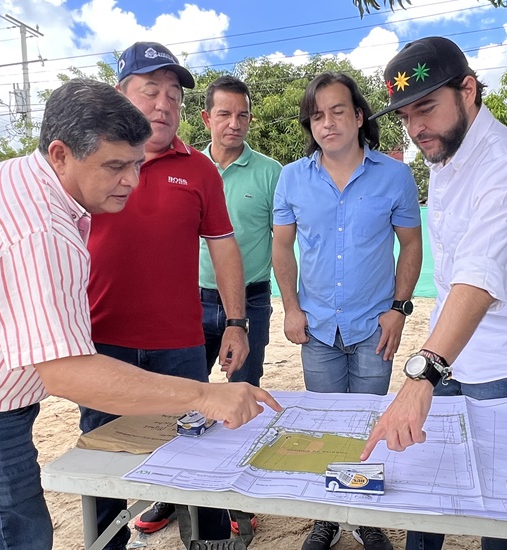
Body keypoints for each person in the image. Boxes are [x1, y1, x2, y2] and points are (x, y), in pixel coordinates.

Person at [0, 78, 280, 550]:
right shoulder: (43, 234)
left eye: (136, 164)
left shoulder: (9, 173)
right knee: (13, 539)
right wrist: (204, 395)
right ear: (60, 153)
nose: (132, 182)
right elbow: (67, 374)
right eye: (115, 166)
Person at [361, 37, 507, 550]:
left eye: (426, 108)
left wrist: (421, 375)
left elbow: (478, 277)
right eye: (405, 115)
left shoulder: (506, 162)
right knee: (426, 477)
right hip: (447, 350)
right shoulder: (445, 153)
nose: (415, 127)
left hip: (498, 361)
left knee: (498, 496)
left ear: (468, 90)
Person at [82, 42, 248, 548]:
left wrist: (237, 322)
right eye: (150, 91)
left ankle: (212, 540)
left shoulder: (198, 169)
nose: (162, 105)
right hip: (100, 342)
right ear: (120, 96)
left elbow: (223, 247)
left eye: (173, 95)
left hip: (179, 344)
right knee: (105, 457)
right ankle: (109, 543)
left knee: (199, 452)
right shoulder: (87, 162)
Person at [273, 72, 423, 550]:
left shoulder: (395, 175)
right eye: (317, 115)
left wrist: (399, 309)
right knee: (324, 424)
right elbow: (281, 248)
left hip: (373, 327)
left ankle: (365, 516)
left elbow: (411, 244)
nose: (327, 123)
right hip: (315, 328)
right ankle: (328, 518)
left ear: (359, 117)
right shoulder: (292, 177)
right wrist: (290, 309)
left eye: (338, 111)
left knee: (369, 421)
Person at [200, 75, 283, 536]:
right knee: (185, 394)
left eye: (243, 115)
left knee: (245, 392)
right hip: (188, 297)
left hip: (250, 300)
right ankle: (176, 495)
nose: (235, 124)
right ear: (207, 117)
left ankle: (238, 497)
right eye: (225, 114)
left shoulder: (271, 172)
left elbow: (284, 244)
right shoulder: (187, 167)